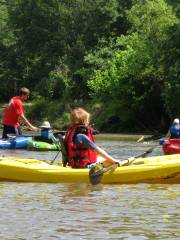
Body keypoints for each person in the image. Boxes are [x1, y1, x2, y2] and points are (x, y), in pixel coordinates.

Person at [62, 107, 129, 168]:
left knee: (100, 157)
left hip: (75, 164)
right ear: (84, 121)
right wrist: (113, 160)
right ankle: (116, 164)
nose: (88, 122)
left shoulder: (69, 134)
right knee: (109, 161)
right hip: (85, 166)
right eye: (87, 120)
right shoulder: (82, 137)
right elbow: (98, 150)